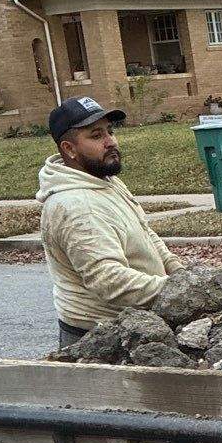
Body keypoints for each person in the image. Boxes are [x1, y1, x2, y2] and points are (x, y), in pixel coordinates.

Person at [37, 96, 181, 347]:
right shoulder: (76, 207)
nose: (111, 141)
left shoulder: (103, 180)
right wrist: (179, 291)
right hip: (100, 339)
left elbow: (145, 233)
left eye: (110, 131)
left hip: (135, 323)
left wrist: (179, 272)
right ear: (69, 149)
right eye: (96, 136)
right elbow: (109, 281)